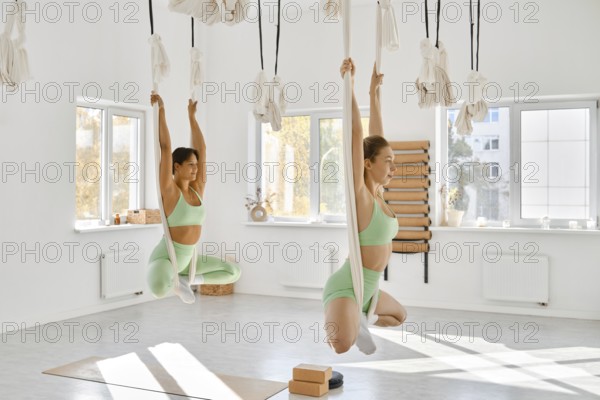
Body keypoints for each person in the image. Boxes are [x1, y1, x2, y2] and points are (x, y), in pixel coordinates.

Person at [322, 59, 407, 354]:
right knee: (340, 346)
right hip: (348, 284)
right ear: (368, 164)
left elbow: (376, 134)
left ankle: (360, 318)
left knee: (399, 316)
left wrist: (375, 94)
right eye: (389, 162)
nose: (394, 167)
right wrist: (351, 86)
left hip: (370, 288)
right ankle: (346, 318)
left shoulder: (380, 193)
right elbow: (358, 136)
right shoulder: (360, 195)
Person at [147, 92, 241, 303]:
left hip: (189, 260)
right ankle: (172, 278)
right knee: (159, 288)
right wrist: (161, 111)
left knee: (233, 272)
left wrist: (192, 117)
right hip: (167, 257)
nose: (196, 169)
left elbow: (202, 149)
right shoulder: (169, 190)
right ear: (177, 167)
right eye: (191, 165)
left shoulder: (198, 188)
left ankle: (185, 280)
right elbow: (165, 148)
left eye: (197, 165)